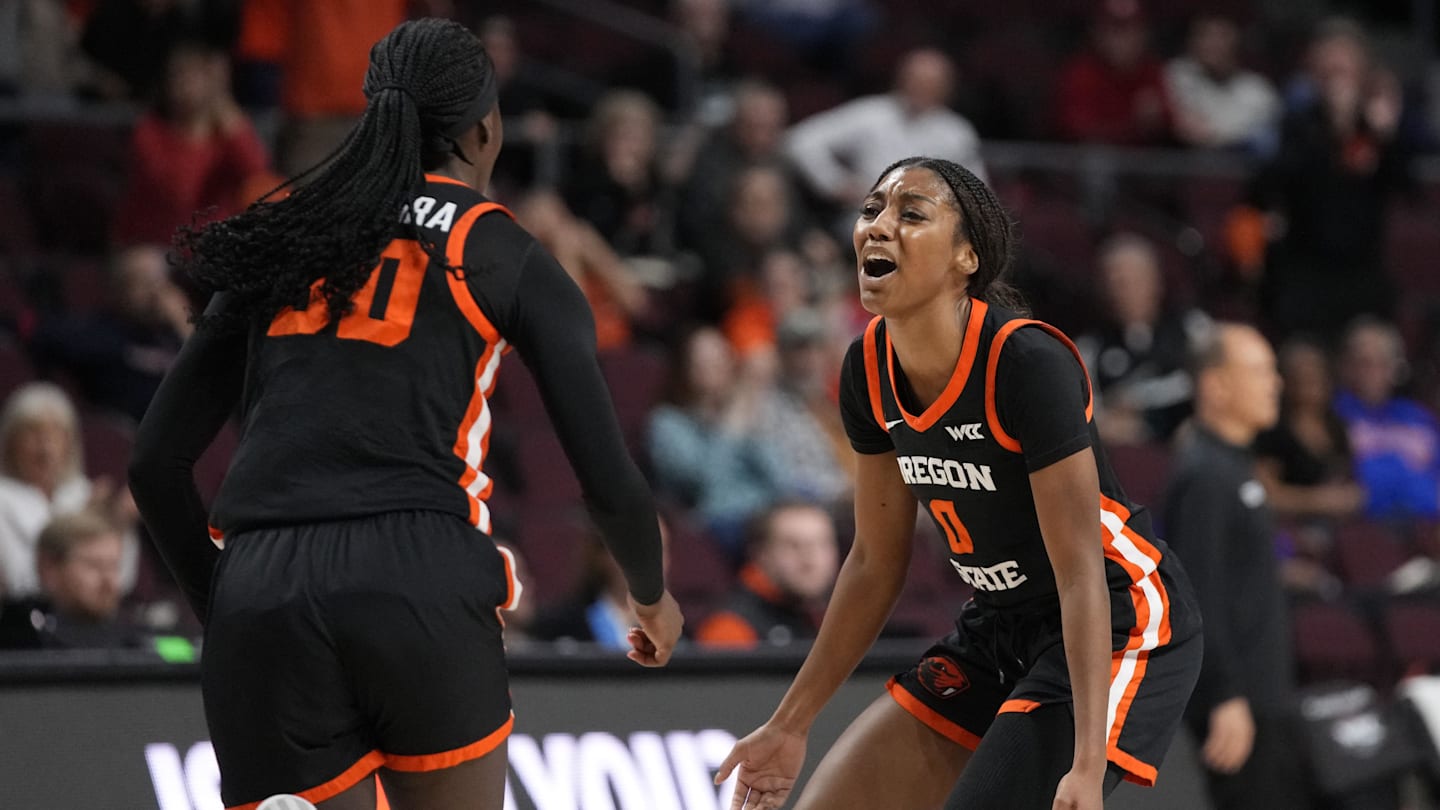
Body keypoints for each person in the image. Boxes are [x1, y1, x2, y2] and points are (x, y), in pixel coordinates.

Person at [127, 19, 683, 810]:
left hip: (262, 577)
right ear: (485, 130)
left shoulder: (286, 232)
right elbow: (607, 478)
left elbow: (154, 462)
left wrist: (227, 602)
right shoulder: (501, 249)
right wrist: (652, 595)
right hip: (415, 564)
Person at [716, 156, 1202, 810]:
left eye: (910, 214)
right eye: (871, 210)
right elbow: (871, 561)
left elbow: (1081, 569)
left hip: (1116, 617)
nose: (879, 226)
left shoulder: (1027, 361)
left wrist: (1087, 764)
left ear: (966, 257)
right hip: (998, 623)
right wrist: (789, 722)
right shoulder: (866, 365)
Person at [1162, 323, 1310, 809]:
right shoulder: (1205, 475)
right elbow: (1196, 594)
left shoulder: (1234, 466)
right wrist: (1225, 696)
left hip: (1265, 699)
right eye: (1259, 370)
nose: (1276, 382)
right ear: (1216, 385)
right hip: (1238, 707)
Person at [0, 381, 140, 602]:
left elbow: (121, 581)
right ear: (10, 442)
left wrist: (118, 524)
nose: (45, 448)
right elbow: (19, 582)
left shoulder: (82, 493)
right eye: (33, 434)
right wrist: (80, 530)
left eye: (55, 435)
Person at [696, 501, 839, 648]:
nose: (810, 560)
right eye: (793, 546)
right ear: (761, 554)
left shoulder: (837, 615)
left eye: (822, 545)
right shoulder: (730, 627)